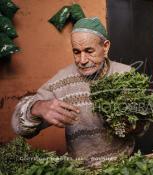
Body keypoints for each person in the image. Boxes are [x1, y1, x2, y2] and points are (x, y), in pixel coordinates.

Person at [11, 17, 134, 167]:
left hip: (124, 165)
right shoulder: (62, 81)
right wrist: (36, 108)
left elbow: (142, 127)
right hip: (81, 169)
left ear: (106, 47)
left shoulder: (126, 74)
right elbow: (19, 128)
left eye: (89, 51)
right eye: (76, 52)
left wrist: (134, 123)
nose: (82, 60)